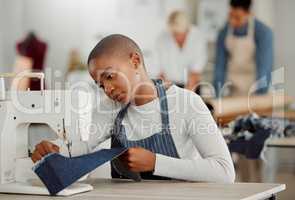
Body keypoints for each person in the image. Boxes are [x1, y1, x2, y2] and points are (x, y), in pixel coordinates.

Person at [31, 34, 235, 182]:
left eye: (109, 76)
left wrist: (156, 162)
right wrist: (54, 149)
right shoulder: (110, 109)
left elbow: (225, 171)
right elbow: (83, 146)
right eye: (100, 85)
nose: (107, 89)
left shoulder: (187, 104)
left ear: (135, 61)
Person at [213, 0, 273, 97]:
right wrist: (217, 94)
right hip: (233, 89)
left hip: (255, 88)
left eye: (237, 17)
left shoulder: (263, 32)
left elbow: (264, 68)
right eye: (230, 16)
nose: (232, 21)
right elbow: (219, 67)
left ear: (249, 14)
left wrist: (260, 96)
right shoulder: (223, 33)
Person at [155, 10, 207, 93]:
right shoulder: (162, 37)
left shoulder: (197, 36)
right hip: (169, 85)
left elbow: (196, 70)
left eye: (179, 34)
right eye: (174, 33)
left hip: (192, 84)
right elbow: (159, 67)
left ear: (186, 29)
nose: (176, 37)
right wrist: (165, 86)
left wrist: (188, 93)